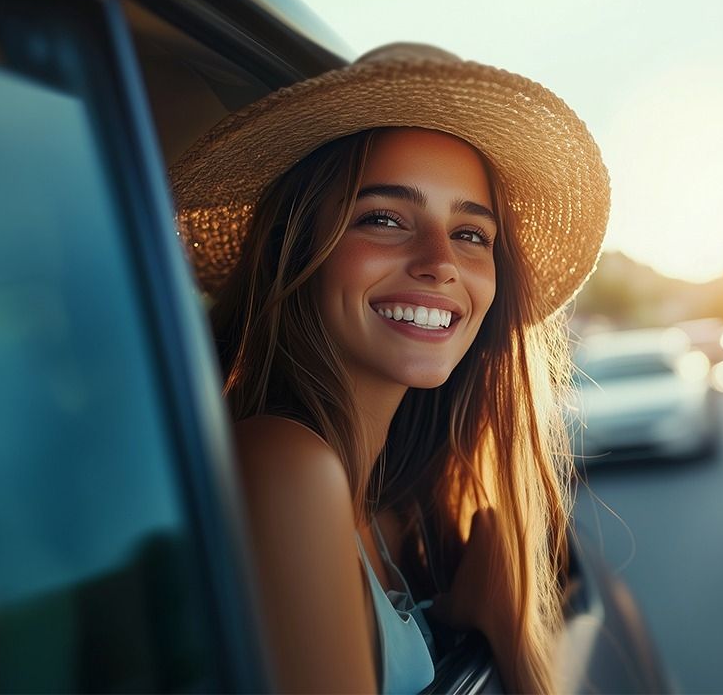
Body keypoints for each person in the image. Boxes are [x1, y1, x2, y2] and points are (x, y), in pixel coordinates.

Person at [172, 43, 610, 693]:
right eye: (383, 219)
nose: (440, 261)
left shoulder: (388, 514)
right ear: (297, 252)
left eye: (470, 234)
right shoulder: (284, 464)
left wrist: (499, 623)